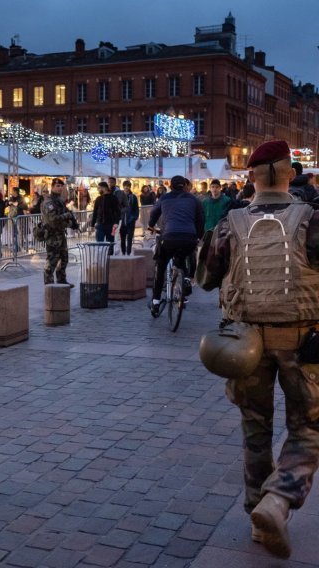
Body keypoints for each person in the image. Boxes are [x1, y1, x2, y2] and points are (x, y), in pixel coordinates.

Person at [197, 140, 319, 559]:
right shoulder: (313, 219)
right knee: (309, 426)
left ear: (250, 176)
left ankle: (258, 516)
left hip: (243, 342)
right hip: (304, 341)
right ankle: (278, 500)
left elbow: (208, 279)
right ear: (290, 172)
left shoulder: (230, 223)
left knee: (255, 427)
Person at [147, 175, 204, 317]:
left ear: (170, 186)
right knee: (181, 257)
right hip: (189, 238)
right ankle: (185, 280)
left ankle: (155, 302)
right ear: (185, 185)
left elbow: (153, 213)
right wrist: (198, 236)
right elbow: (201, 220)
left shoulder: (164, 198)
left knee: (161, 266)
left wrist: (150, 225)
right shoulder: (193, 200)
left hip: (169, 237)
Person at [41, 178, 77, 286]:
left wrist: (72, 222)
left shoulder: (59, 201)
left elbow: (63, 216)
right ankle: (49, 284)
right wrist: (67, 217)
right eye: (57, 186)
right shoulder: (49, 202)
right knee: (52, 260)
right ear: (52, 187)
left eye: (61, 186)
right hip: (52, 235)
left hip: (60, 234)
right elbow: (53, 220)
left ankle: (61, 281)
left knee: (64, 259)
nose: (60, 188)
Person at [90, 181, 121, 254]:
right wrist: (92, 224)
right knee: (99, 243)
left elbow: (118, 211)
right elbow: (95, 212)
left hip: (110, 224)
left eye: (99, 188)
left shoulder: (113, 198)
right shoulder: (98, 199)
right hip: (100, 224)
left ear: (104, 188)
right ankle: (101, 259)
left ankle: (110, 260)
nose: (98, 190)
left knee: (110, 243)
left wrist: (116, 222)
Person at [119, 180, 139, 255]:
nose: (126, 187)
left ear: (130, 187)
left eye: (128, 186)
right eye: (125, 186)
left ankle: (128, 252)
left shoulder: (133, 197)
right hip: (122, 220)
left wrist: (135, 217)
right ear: (123, 187)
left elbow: (136, 208)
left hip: (131, 220)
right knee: (123, 238)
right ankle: (123, 252)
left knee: (130, 237)